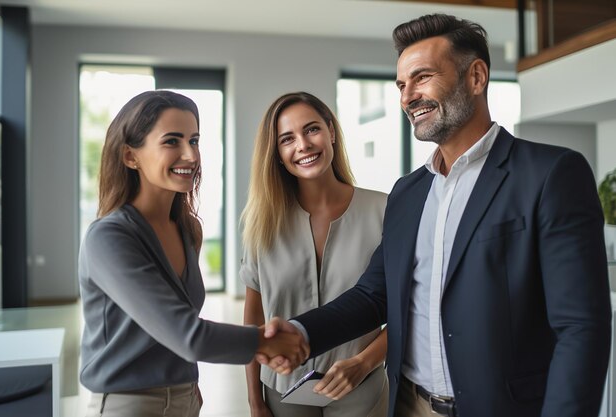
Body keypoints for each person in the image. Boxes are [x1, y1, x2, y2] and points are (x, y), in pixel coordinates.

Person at [260, 14, 612, 417]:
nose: (408, 96)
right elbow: (374, 295)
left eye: (422, 77)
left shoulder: (550, 174)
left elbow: (581, 328)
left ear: (476, 77)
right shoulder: (408, 192)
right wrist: (303, 331)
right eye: (401, 85)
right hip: (412, 405)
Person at [78, 90, 308, 417]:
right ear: (130, 156)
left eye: (194, 140)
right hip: (129, 404)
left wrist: (188, 390)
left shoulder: (187, 229)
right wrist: (266, 342)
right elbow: (188, 335)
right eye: (172, 141)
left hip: (186, 398)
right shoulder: (109, 237)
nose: (190, 154)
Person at [240, 91, 389, 417]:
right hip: (282, 390)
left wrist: (363, 363)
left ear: (331, 132)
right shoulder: (262, 222)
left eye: (311, 129)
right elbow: (254, 320)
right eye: (287, 139)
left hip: (360, 386)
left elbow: (407, 308)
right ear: (277, 153)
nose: (303, 145)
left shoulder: (385, 210)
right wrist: (254, 399)